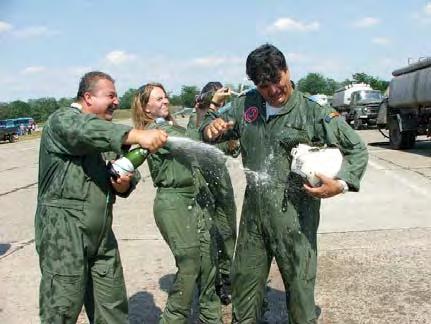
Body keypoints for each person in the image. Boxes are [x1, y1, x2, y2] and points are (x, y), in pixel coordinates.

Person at [201, 44, 368, 323]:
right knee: (245, 293)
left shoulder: (313, 111)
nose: (273, 91)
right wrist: (210, 128)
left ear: (287, 70)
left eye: (277, 80)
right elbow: (208, 132)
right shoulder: (245, 105)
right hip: (254, 218)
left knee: (301, 299)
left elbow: (357, 149)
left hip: (296, 219)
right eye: (264, 86)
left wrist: (339, 185)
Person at [35, 71, 167, 324]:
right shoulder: (62, 120)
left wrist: (123, 184)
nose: (117, 101)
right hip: (63, 235)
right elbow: (84, 130)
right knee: (61, 309)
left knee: (112, 307)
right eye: (111, 96)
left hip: (101, 235)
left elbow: (124, 173)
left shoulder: (103, 132)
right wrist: (138, 135)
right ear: (88, 97)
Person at [131, 83, 221, 323]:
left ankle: (211, 318)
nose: (165, 101)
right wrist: (208, 108)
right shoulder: (155, 132)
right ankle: (173, 318)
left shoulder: (172, 127)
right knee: (190, 264)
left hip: (195, 199)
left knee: (208, 265)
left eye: (166, 97)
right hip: (173, 202)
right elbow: (193, 138)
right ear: (145, 107)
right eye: (158, 99)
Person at [188, 81, 239, 305]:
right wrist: (203, 109)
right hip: (202, 184)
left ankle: (227, 279)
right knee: (207, 235)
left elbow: (234, 151)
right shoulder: (198, 118)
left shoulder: (225, 119)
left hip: (222, 184)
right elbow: (191, 141)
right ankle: (212, 282)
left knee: (227, 230)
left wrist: (233, 134)